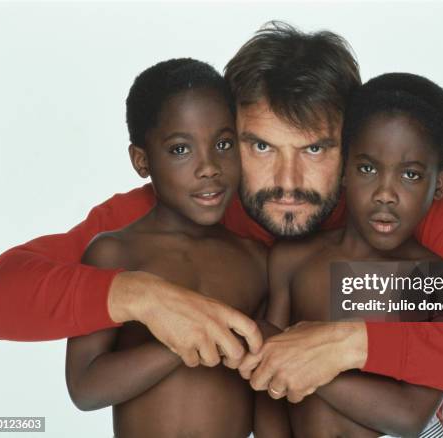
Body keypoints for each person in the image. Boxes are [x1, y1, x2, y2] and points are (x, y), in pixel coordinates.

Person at [0, 22, 443, 403]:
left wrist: (353, 344)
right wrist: (138, 296)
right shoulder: (170, 212)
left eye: (315, 150)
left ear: (352, 147)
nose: (287, 182)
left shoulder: (404, 211)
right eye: (259, 147)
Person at [65, 58, 267, 438]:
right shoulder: (114, 254)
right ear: (142, 160)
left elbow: (269, 384)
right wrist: (179, 344)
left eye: (223, 144)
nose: (209, 167)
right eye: (180, 150)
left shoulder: (255, 259)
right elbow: (85, 387)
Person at [253, 72, 443, 438]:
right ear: (344, 170)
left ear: (440, 183)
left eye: (410, 175)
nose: (385, 193)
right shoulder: (294, 258)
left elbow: (409, 416)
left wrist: (314, 363)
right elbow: (269, 382)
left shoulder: (438, 279)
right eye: (367, 168)